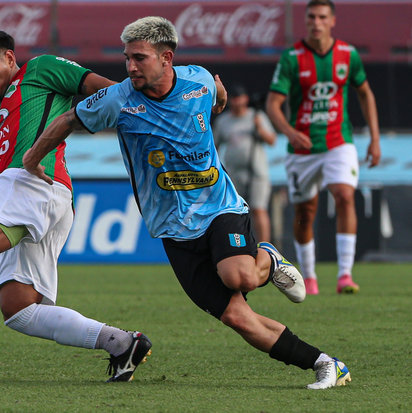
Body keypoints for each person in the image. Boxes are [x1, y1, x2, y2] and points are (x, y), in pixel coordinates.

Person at [23, 16, 351, 390]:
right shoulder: (118, 99)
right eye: (126, 57)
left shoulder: (198, 81)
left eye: (139, 58)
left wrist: (221, 103)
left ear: (167, 57)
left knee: (238, 276)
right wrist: (32, 158)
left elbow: (219, 96)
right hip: (172, 230)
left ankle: (267, 259)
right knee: (239, 319)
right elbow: (68, 119)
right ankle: (326, 363)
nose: (130, 66)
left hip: (219, 207)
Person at [0, 28, 152, 383]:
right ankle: (123, 343)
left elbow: (108, 89)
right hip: (47, 198)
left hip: (35, 181)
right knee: (20, 309)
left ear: (8, 58)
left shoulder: (41, 69)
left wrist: (145, 115)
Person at [266, 0, 381, 295]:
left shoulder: (347, 54)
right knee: (305, 212)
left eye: (322, 17)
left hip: (338, 141)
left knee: (344, 195)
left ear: (332, 21)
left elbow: (365, 93)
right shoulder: (292, 57)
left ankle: (345, 275)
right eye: (312, 17)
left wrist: (375, 138)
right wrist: (290, 133)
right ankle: (310, 276)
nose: (316, 22)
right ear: (306, 20)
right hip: (302, 148)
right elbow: (273, 104)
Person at [213, 84, 277, 242]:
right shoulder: (223, 121)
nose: (236, 102)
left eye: (239, 98)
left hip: (257, 171)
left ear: (245, 99)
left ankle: (265, 248)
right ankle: (241, 247)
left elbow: (272, 140)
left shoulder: (256, 116)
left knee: (258, 209)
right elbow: (214, 146)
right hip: (234, 172)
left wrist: (259, 128)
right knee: (236, 211)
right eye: (233, 98)